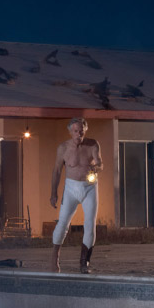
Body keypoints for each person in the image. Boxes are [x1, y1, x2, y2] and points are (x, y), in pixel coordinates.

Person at [49, 117, 103, 273]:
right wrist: (53, 193)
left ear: (85, 131)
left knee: (90, 224)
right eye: (76, 131)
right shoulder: (63, 148)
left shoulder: (93, 144)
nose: (79, 134)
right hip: (71, 188)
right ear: (70, 131)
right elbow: (57, 171)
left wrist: (96, 168)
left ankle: (84, 263)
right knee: (62, 223)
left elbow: (100, 163)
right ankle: (54, 258)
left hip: (89, 187)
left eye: (81, 131)